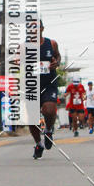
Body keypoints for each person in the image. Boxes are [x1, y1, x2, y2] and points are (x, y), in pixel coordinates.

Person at [29, 20, 61, 159]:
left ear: (42, 29)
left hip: (49, 83)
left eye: (36, 27)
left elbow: (57, 56)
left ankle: (48, 130)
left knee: (49, 110)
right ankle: (39, 144)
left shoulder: (51, 43)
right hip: (32, 85)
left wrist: (56, 62)